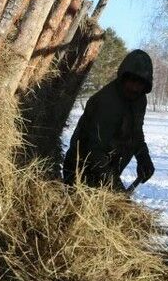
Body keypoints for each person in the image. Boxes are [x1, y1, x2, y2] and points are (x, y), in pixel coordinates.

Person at [62, 49, 156, 190]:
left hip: (106, 170)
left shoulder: (139, 100)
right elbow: (94, 151)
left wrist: (143, 156)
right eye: (132, 81)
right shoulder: (106, 102)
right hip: (81, 172)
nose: (135, 88)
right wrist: (114, 186)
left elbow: (135, 132)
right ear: (123, 78)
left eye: (140, 83)